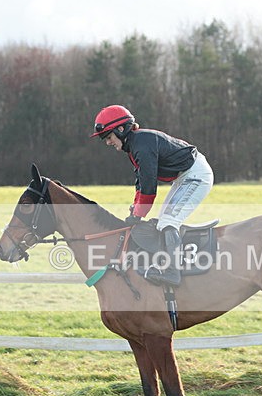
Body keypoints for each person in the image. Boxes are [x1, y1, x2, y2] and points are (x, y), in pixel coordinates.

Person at [90, 105, 214, 287]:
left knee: (168, 221)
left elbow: (149, 187)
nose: (108, 142)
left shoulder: (141, 145)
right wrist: (135, 209)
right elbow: (141, 181)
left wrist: (138, 215)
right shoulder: (134, 145)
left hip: (196, 175)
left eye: (109, 137)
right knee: (164, 220)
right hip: (185, 176)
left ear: (121, 129)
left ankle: (172, 272)